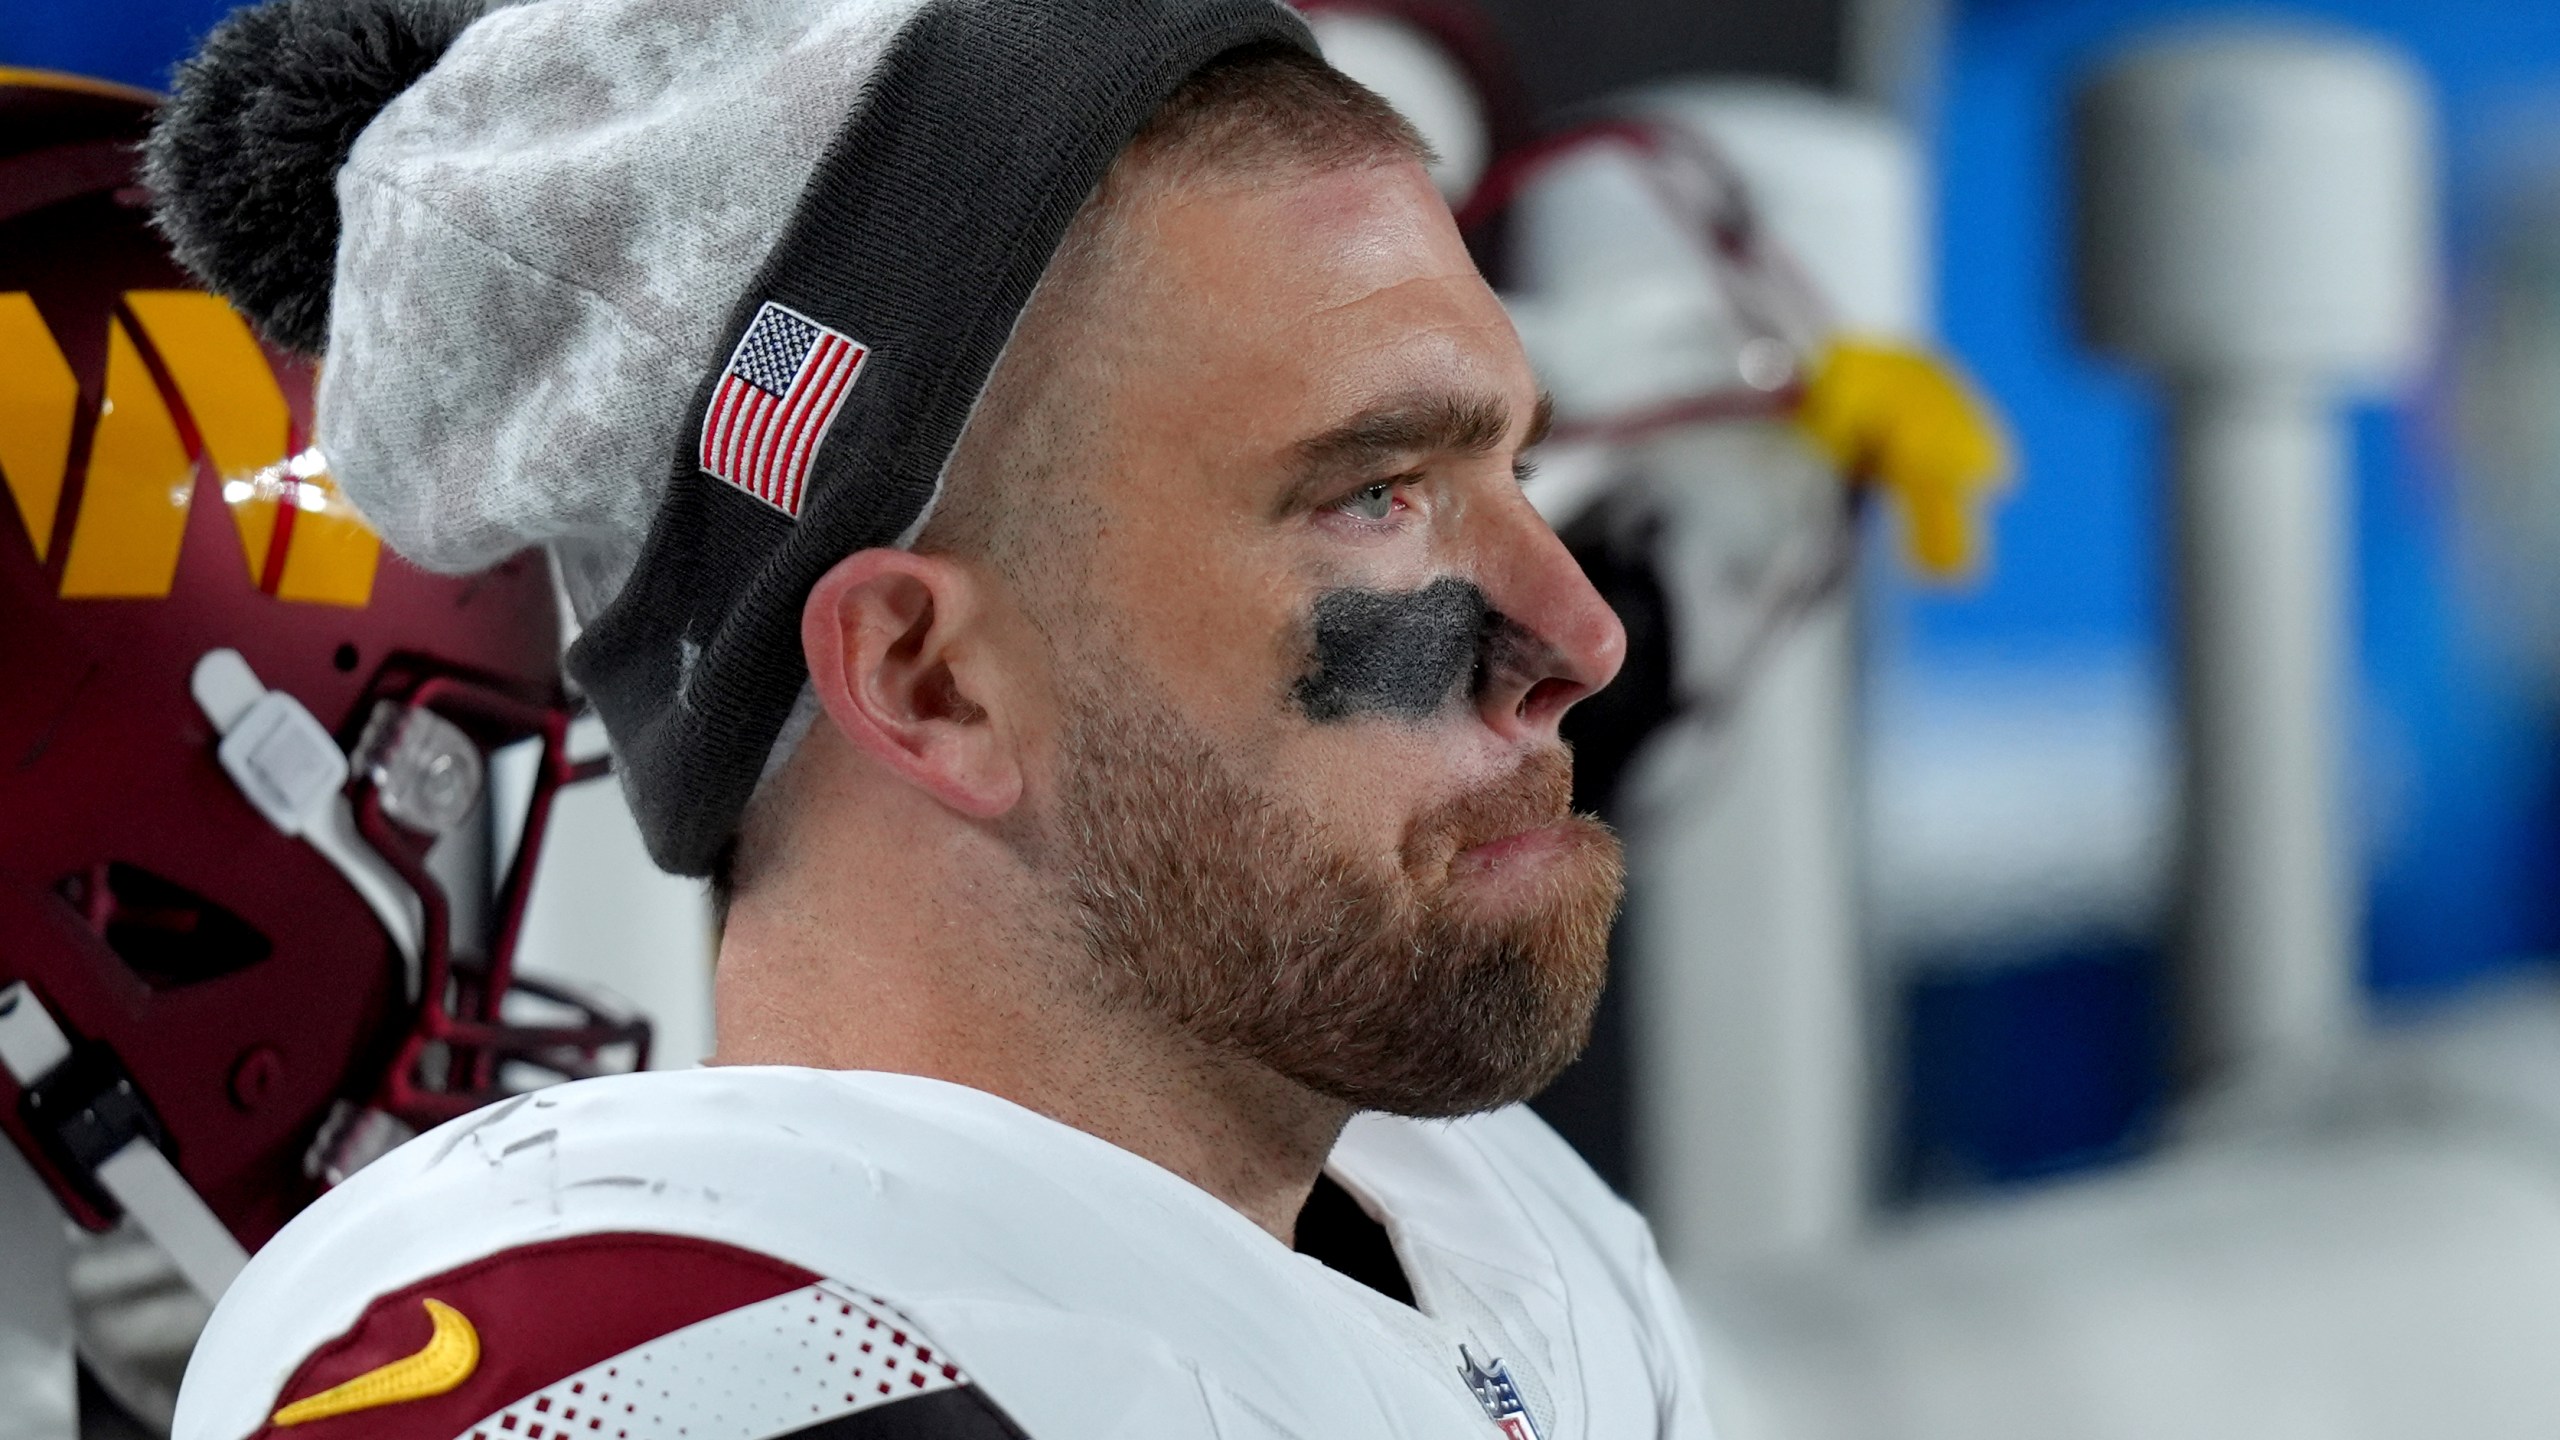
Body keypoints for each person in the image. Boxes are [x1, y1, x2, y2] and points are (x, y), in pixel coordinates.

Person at [146, 0, 1714, 1436]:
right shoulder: (666, 1377)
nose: (1581, 635)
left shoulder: (1500, 1227)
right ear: (927, 679)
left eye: (1510, 465)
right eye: (1377, 498)